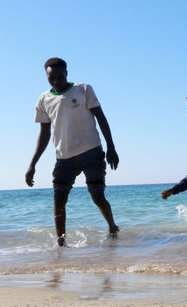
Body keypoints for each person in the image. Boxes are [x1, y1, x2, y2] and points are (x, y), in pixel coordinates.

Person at [25, 57, 120, 246]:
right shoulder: (43, 100)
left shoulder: (83, 89)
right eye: (52, 78)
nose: (57, 81)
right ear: (47, 77)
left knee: (97, 196)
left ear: (67, 73)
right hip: (64, 157)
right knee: (59, 200)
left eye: (60, 76)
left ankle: (112, 226)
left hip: (91, 151)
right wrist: (32, 164)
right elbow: (44, 135)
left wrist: (111, 147)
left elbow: (101, 118)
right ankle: (61, 244)